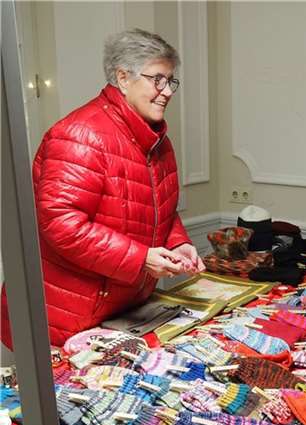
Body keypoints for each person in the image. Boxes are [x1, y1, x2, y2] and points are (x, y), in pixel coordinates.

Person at [1, 28, 204, 348]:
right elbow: (60, 223)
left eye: (170, 81)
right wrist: (140, 259)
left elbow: (157, 207)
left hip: (121, 311)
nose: (167, 91)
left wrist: (177, 242)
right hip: (65, 318)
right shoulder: (79, 135)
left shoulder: (156, 140)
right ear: (123, 78)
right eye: (157, 80)